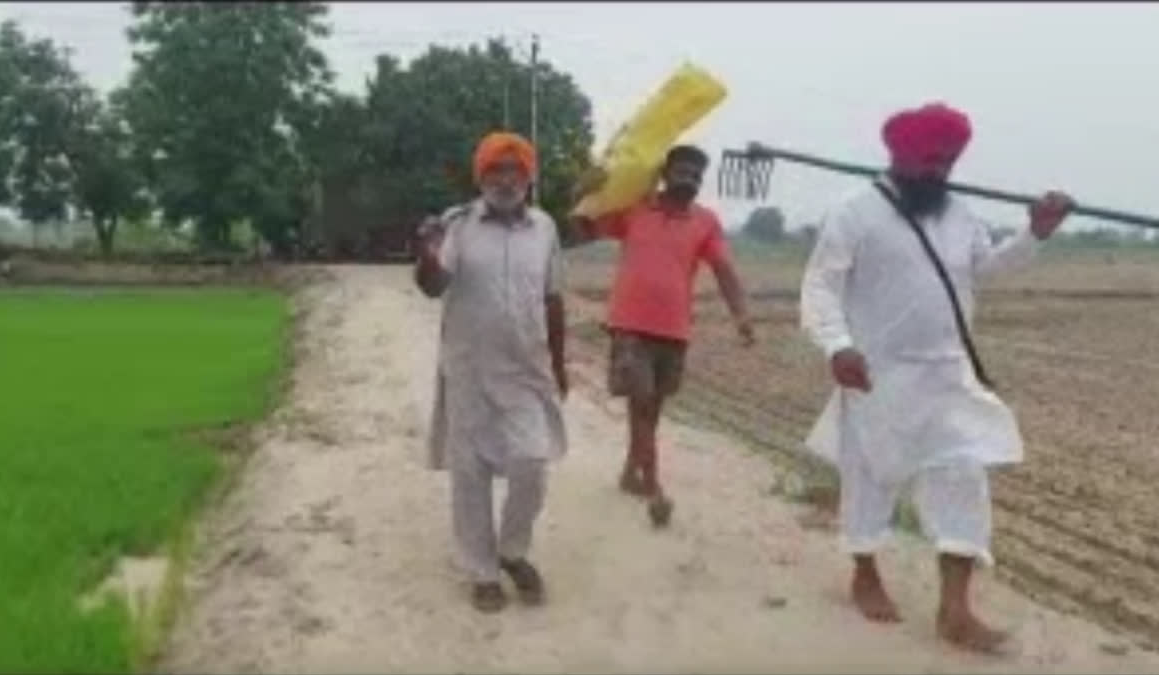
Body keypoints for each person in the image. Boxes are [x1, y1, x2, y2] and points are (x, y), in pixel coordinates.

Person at [799, 102, 1074, 653]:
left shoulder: (960, 215)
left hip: (949, 375)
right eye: (930, 160)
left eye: (948, 161)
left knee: (964, 477)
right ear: (899, 156)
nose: (940, 171)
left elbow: (985, 269)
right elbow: (820, 288)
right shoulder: (854, 213)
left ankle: (955, 609)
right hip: (876, 376)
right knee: (870, 480)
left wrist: (1034, 234)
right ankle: (865, 572)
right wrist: (838, 346)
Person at [415, 131, 568, 613]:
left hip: (527, 371)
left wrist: (560, 364)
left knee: (532, 463)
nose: (506, 180)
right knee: (471, 474)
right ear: (481, 177)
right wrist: (426, 253)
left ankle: (512, 550)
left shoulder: (544, 228)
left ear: (529, 176)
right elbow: (433, 286)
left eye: (515, 170)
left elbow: (553, 297)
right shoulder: (457, 226)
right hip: (469, 371)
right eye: (495, 171)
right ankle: (481, 572)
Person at [569, 145, 755, 528]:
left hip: (674, 331)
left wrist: (741, 315)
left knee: (652, 409)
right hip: (630, 327)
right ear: (665, 173)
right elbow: (583, 227)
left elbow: (723, 269)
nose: (690, 178)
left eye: (697, 174)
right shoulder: (635, 208)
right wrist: (581, 192)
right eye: (683, 170)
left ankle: (629, 472)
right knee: (640, 402)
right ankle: (654, 487)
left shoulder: (705, 222)